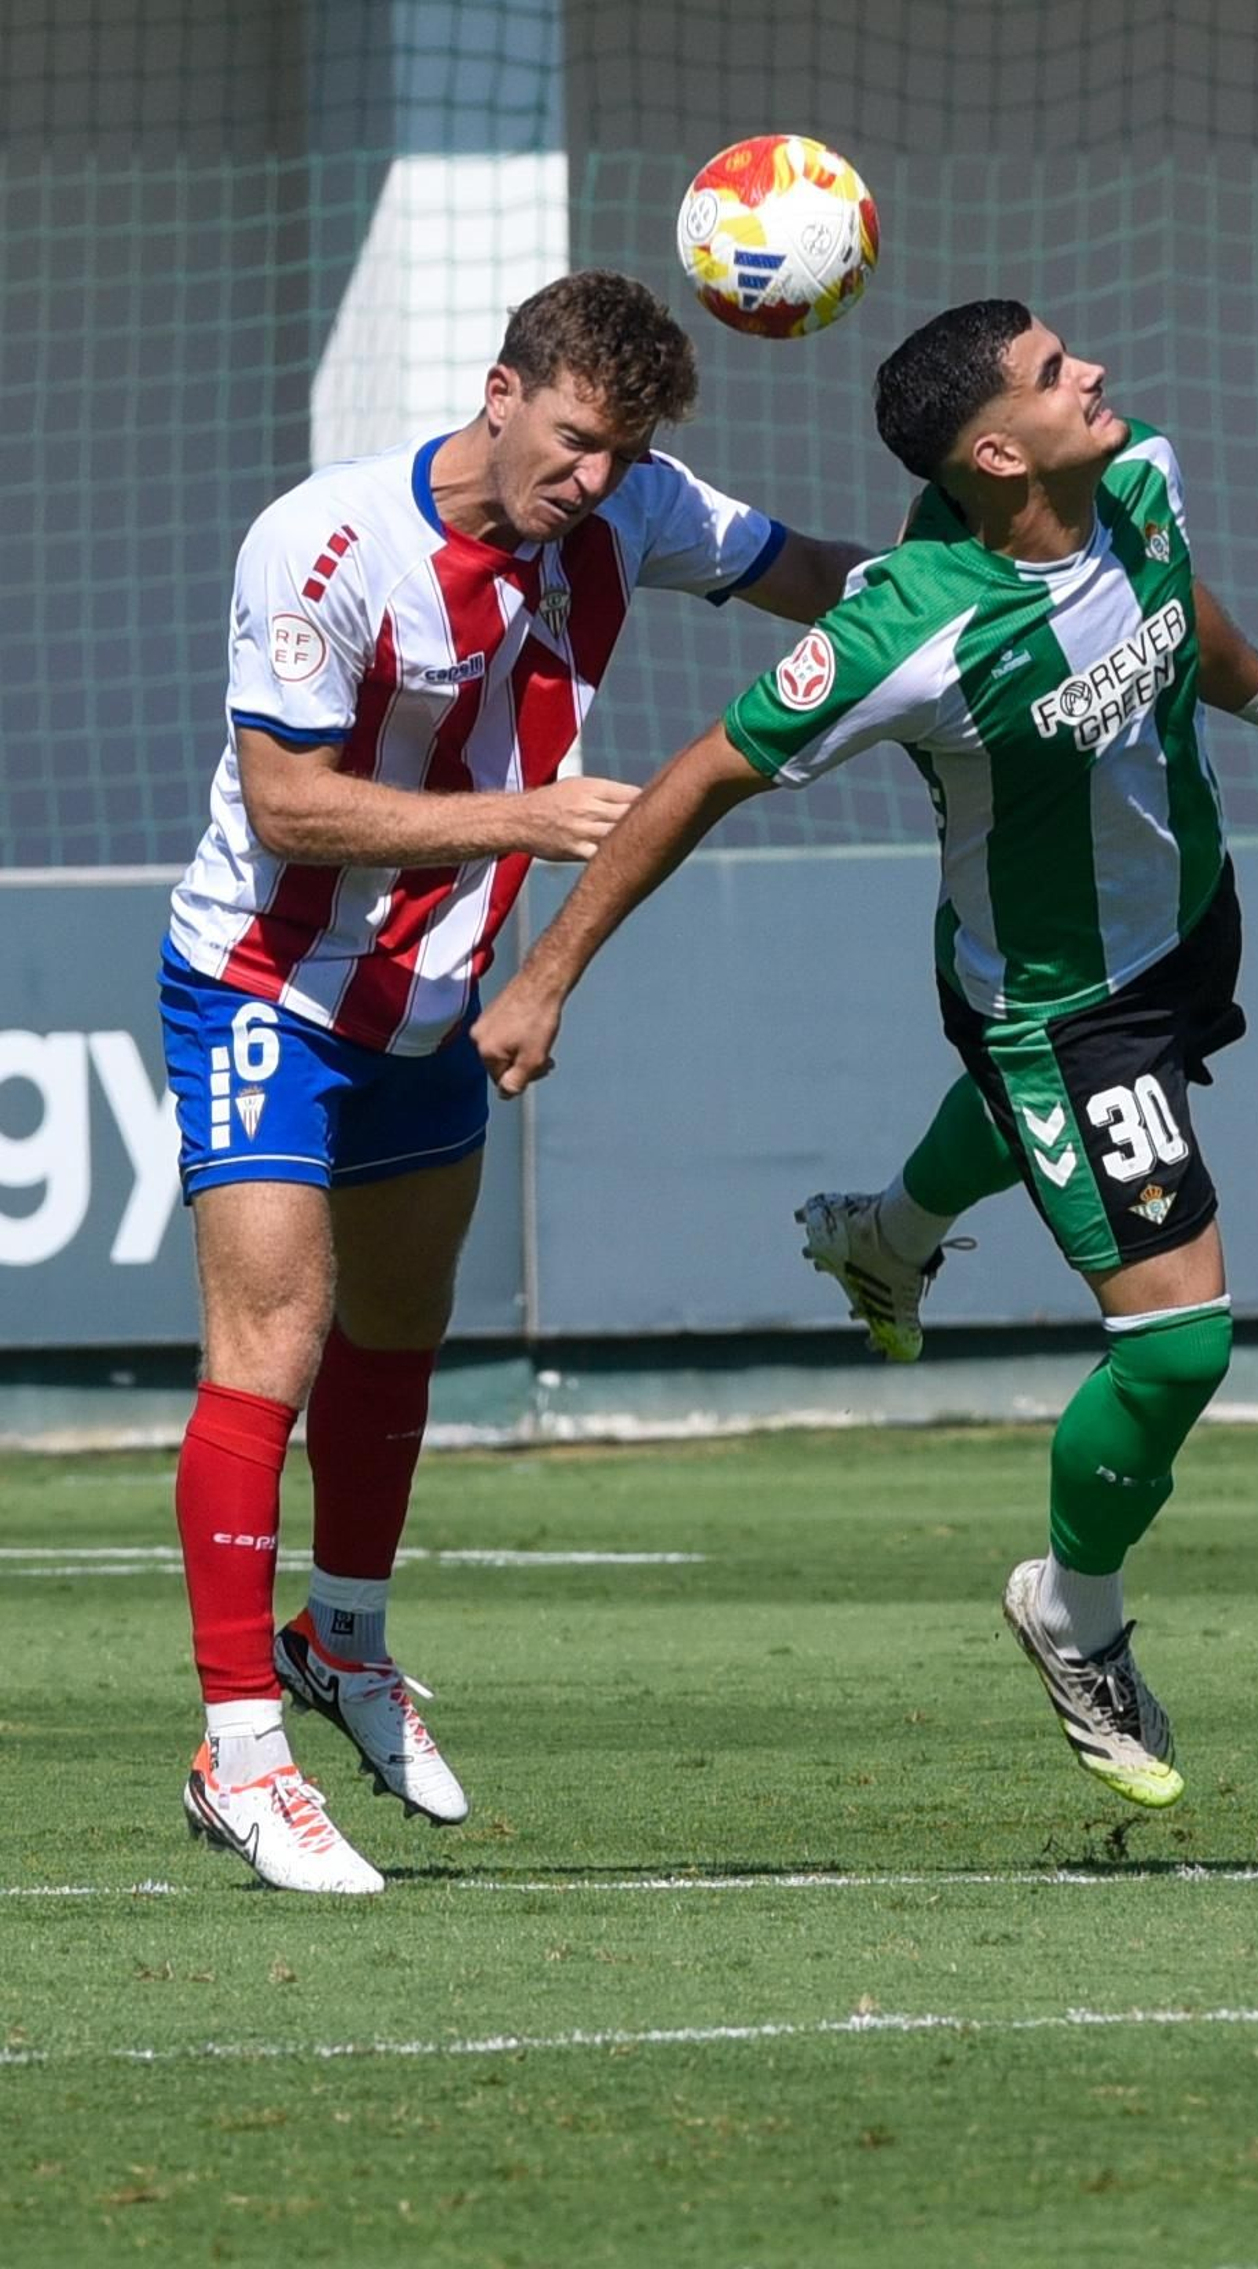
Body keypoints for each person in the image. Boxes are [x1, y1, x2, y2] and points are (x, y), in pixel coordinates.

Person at [471, 297, 1258, 1814]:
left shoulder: (1139, 479)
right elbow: (704, 776)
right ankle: (1073, 1610)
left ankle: (889, 1239)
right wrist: (547, 976)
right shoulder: (913, 631)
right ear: (992, 448)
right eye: (1053, 374)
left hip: (1188, 925)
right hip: (1055, 1005)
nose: (1093, 371)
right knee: (1178, 1345)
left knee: (1036, 1152)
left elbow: (1184, 614)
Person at [159, 269, 870, 1894]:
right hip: (263, 982)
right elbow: (287, 807)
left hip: (432, 1004)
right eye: (571, 442)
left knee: (399, 1336)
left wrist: (977, 574)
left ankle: (343, 1644)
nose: (592, 483)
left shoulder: (637, 511)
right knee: (271, 1343)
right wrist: (528, 819)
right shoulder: (325, 543)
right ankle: (241, 1745)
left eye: (620, 454)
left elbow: (813, 576)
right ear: (500, 389)